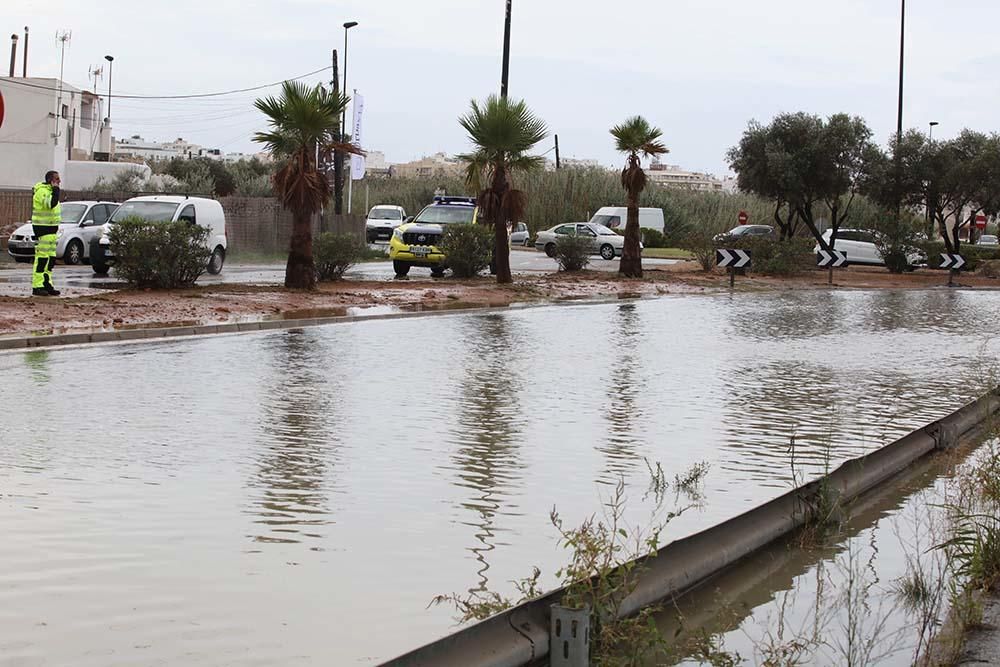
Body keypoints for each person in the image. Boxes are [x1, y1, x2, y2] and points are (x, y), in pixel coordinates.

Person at [31, 171, 61, 296]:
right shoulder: (42, 192)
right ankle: (37, 286)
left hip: (52, 230)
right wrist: (56, 190)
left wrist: (55, 191)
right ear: (51, 180)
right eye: (57, 179)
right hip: (43, 229)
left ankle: (47, 283)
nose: (59, 181)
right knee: (42, 259)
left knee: (50, 259)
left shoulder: (50, 192)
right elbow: (51, 204)